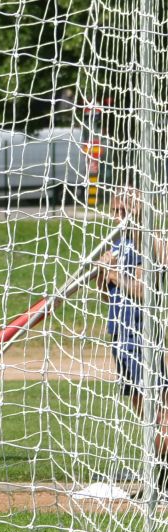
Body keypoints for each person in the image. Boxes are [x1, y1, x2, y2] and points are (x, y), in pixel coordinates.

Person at [95, 188, 168, 483]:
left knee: (159, 413)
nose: (118, 218)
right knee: (145, 414)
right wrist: (103, 273)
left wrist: (115, 275)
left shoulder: (152, 242)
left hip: (143, 337)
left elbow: (147, 292)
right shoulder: (118, 244)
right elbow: (105, 295)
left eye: (124, 211)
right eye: (116, 211)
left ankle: (162, 476)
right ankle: (161, 473)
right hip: (121, 339)